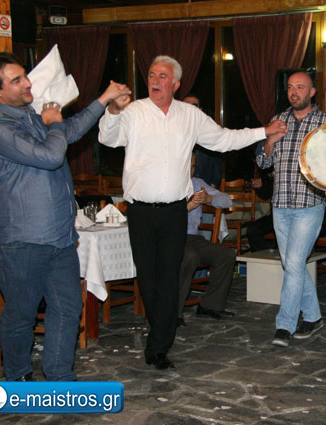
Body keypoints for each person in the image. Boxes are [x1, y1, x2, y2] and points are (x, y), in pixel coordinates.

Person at [98, 55, 286, 370]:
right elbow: (107, 137)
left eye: (162, 76)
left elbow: (225, 140)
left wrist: (263, 131)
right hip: (140, 212)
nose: (155, 80)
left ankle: (159, 346)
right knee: (148, 280)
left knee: (169, 278)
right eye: (152, 75)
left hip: (175, 212)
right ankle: (159, 332)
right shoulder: (134, 111)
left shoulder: (190, 116)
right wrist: (114, 109)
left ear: (175, 84)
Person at [0, 51, 131, 381]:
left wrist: (103, 98)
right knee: (21, 313)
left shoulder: (32, 115)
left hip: (60, 236)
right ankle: (18, 378)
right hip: (22, 239)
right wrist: (55, 124)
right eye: (16, 80)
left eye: (25, 75)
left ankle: (60, 378)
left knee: (68, 307)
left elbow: (69, 131)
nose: (27, 83)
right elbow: (50, 155)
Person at [255, 70, 326, 347]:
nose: (294, 92)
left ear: (312, 92)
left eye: (300, 87)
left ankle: (285, 325)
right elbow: (263, 163)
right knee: (293, 265)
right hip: (280, 205)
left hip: (309, 205)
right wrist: (270, 141)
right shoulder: (278, 121)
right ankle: (313, 316)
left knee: (292, 264)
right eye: (291, 87)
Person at [178, 152, 236, 322]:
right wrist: (186, 208)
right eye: (186, 166)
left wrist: (209, 198)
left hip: (193, 238)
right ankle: (173, 313)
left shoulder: (197, 183)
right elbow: (161, 217)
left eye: (192, 166)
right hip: (171, 237)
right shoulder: (166, 185)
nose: (190, 170)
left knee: (226, 255)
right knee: (189, 256)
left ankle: (210, 305)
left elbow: (227, 201)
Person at [183, 94, 223, 188]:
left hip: (205, 187)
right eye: (186, 106)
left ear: (200, 110)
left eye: (194, 106)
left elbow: (217, 160)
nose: (190, 109)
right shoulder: (173, 130)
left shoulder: (210, 131)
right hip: (179, 187)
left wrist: (213, 184)